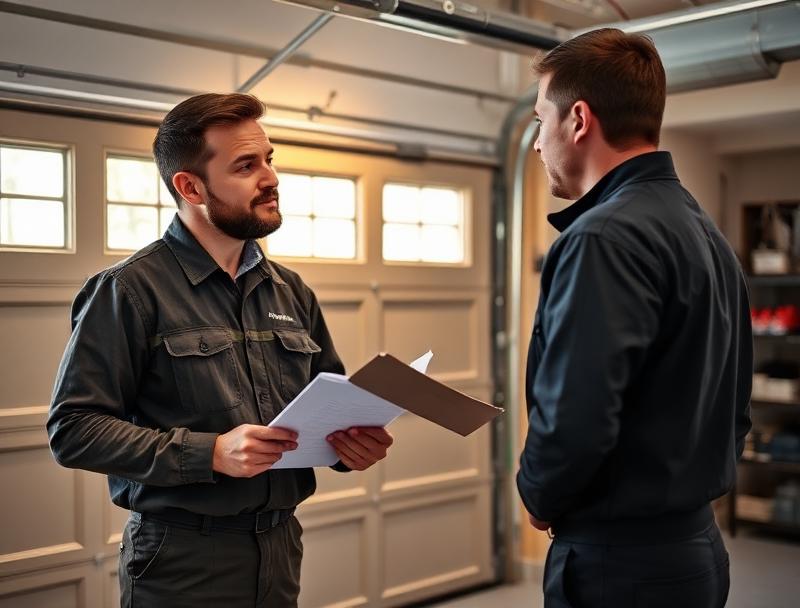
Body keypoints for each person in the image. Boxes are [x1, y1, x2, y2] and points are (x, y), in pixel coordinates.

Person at [47, 93, 394, 608]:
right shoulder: (129, 290)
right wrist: (209, 453)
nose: (271, 178)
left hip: (280, 547)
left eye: (269, 159)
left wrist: (350, 448)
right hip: (181, 559)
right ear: (191, 187)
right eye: (246, 166)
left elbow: (327, 403)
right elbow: (74, 430)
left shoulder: (291, 291)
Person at [516, 28, 752, 608]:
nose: (538, 145)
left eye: (541, 120)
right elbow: (736, 408)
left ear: (578, 119)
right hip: (693, 548)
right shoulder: (705, 233)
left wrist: (538, 494)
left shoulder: (600, 238)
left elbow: (576, 416)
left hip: (619, 567)